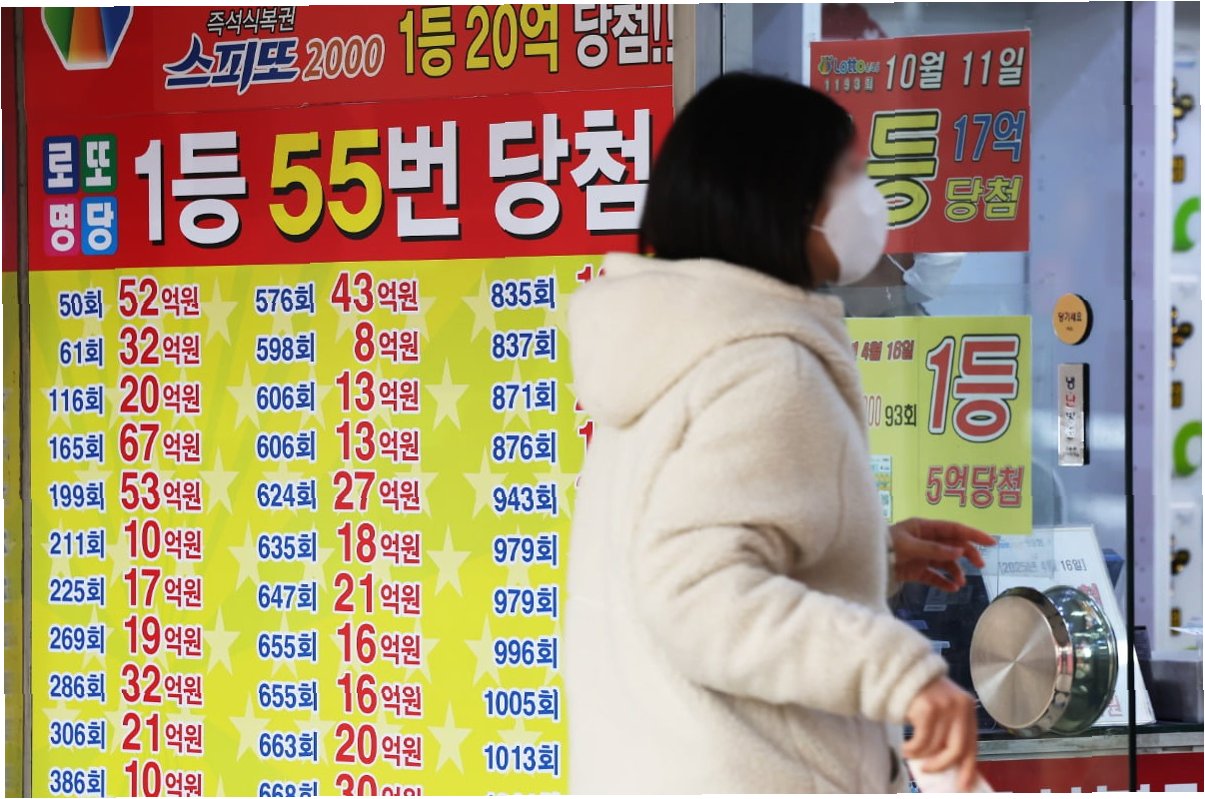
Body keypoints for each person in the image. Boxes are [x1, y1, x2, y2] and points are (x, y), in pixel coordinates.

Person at [565, 72, 995, 794]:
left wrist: (865, 554)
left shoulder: (673, 346)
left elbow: (684, 557)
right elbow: (699, 594)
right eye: (849, 175)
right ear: (786, 196)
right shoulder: (765, 366)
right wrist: (901, 672)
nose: (870, 199)